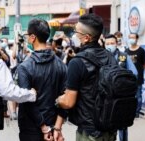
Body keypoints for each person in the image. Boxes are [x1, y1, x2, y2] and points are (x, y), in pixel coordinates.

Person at [56, 13, 117, 141]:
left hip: (90, 133)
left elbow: (68, 102)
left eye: (76, 32)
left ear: (86, 38)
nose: (74, 35)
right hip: (110, 129)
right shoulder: (110, 57)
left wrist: (58, 100)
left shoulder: (77, 62)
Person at [17, 19, 67, 141]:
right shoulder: (61, 65)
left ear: (33, 37)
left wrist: (43, 127)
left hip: (30, 128)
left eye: (28, 35)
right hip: (53, 126)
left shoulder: (25, 67)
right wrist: (57, 127)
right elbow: (66, 98)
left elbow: (27, 101)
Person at [105, 34, 138, 141]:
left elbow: (134, 73)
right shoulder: (101, 57)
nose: (110, 45)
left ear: (116, 44)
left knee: (122, 124)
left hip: (121, 96)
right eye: (107, 43)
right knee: (107, 122)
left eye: (112, 43)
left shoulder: (123, 56)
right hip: (106, 96)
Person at [126, 33, 145, 118]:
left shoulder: (141, 51)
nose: (131, 39)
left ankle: (137, 112)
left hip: (138, 77)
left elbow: (144, 64)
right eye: (130, 37)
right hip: (128, 77)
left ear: (137, 39)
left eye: (133, 37)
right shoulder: (126, 51)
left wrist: (140, 72)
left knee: (138, 95)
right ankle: (129, 111)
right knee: (129, 95)